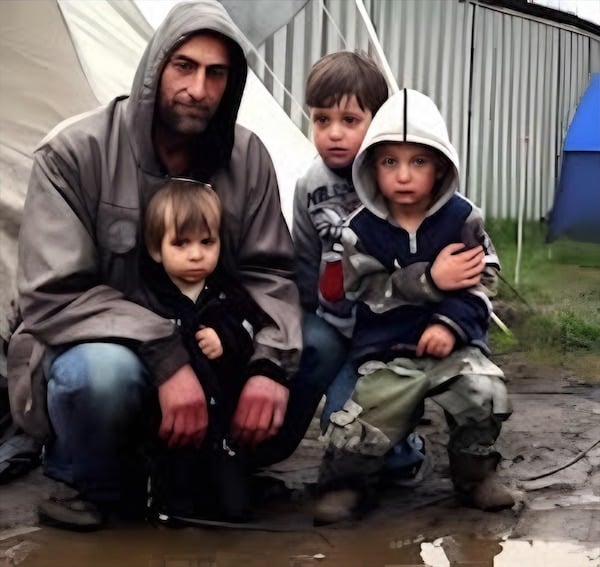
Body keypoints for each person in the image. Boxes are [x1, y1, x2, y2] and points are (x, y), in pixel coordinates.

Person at [7, 0, 301, 531]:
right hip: (113, 351)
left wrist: (269, 365)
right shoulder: (74, 153)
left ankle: (225, 469)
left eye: (217, 74)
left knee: (316, 343)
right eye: (184, 67)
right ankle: (94, 482)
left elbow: (271, 275)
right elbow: (55, 294)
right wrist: (166, 352)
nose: (198, 89)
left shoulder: (248, 156)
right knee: (98, 374)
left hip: (213, 344)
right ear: (154, 68)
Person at [313, 88, 514, 525]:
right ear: (371, 166)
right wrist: (428, 281)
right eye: (390, 162)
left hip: (455, 350)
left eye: (418, 162)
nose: (403, 175)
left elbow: (483, 281)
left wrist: (449, 324)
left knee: (485, 392)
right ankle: (347, 487)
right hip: (386, 352)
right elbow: (362, 290)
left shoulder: (463, 219)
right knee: (356, 426)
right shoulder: (358, 231)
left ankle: (474, 477)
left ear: (440, 166)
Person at [292, 52, 488, 482]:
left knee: (392, 456)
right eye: (322, 120)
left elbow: (460, 270)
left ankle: (410, 444)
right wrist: (305, 316)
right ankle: (282, 436)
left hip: (393, 329)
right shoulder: (309, 184)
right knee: (341, 429)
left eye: (349, 120)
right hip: (335, 321)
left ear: (378, 123)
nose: (335, 134)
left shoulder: (403, 187)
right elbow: (304, 256)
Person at [143, 179, 268, 522]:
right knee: (173, 495)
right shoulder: (151, 297)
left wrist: (225, 338)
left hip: (221, 422)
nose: (196, 254)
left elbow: (252, 327)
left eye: (206, 242)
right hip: (168, 424)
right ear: (156, 249)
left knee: (232, 508)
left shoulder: (227, 291)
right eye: (181, 243)